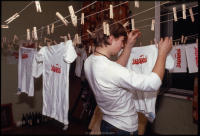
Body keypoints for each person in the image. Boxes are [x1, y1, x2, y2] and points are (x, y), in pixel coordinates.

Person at [84, 19, 172, 135]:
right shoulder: (111, 70)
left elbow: (115, 69)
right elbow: (153, 82)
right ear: (110, 39)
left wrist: (129, 46)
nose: (122, 45)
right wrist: (162, 53)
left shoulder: (89, 61)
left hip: (107, 123)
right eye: (121, 41)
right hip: (122, 129)